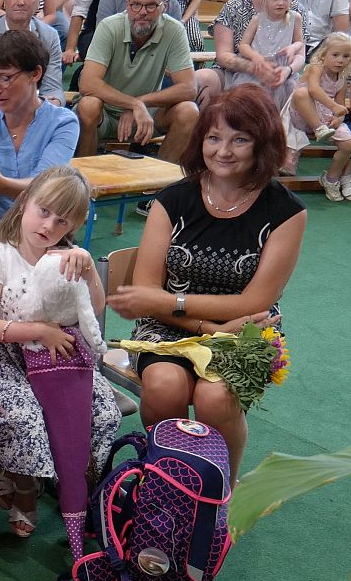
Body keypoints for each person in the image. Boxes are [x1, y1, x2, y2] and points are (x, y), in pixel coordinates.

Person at [107, 85, 306, 483]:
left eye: (240, 139)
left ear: (263, 143)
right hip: (167, 327)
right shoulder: (172, 200)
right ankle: (169, 482)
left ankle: (221, 489)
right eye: (214, 138)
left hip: (245, 330)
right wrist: (205, 324)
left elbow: (257, 301)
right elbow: (148, 295)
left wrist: (174, 303)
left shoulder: (286, 211)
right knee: (164, 386)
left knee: (215, 397)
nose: (223, 151)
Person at [0, 166, 120, 537]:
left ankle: (72, 478)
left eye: (62, 221)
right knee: (25, 417)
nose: (48, 226)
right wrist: (40, 330)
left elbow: (95, 308)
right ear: (25, 202)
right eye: (43, 211)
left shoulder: (68, 256)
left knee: (104, 413)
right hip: (0, 357)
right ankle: (24, 485)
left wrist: (88, 271)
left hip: (57, 356)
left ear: (74, 224)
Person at [0, 29, 79, 250]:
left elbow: (46, 191)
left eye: (5, 78)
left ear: (35, 74)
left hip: (44, 231)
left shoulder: (62, 122)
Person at [74, 0, 198, 164]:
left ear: (163, 7)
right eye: (136, 5)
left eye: (151, 6)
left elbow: (189, 88)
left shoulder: (174, 30)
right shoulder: (109, 26)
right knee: (88, 105)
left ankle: (165, 179)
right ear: (127, 5)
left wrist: (140, 103)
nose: (142, 12)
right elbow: (88, 83)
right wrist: (133, 104)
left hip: (146, 116)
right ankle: (84, 175)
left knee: (189, 111)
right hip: (105, 113)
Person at [194, 0, 302, 108]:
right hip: (234, 73)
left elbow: (300, 53)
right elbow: (224, 56)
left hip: (281, 75)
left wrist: (287, 70)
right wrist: (256, 68)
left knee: (302, 94)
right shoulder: (234, 6)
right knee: (201, 79)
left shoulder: (295, 12)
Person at [290, 32, 351, 199]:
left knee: (349, 143)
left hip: (325, 116)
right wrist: (334, 107)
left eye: (346, 56)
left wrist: (338, 118)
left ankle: (331, 179)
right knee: (301, 93)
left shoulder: (342, 79)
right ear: (324, 54)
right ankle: (318, 128)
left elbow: (340, 106)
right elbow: (314, 90)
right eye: (335, 55)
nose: (340, 60)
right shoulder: (316, 67)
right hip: (302, 112)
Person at [233, 0, 305, 111]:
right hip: (260, 67)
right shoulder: (257, 19)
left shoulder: (295, 18)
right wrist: (255, 57)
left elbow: (299, 42)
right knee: (252, 98)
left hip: (281, 68)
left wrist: (292, 47)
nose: (281, 3)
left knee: (289, 95)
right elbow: (243, 45)